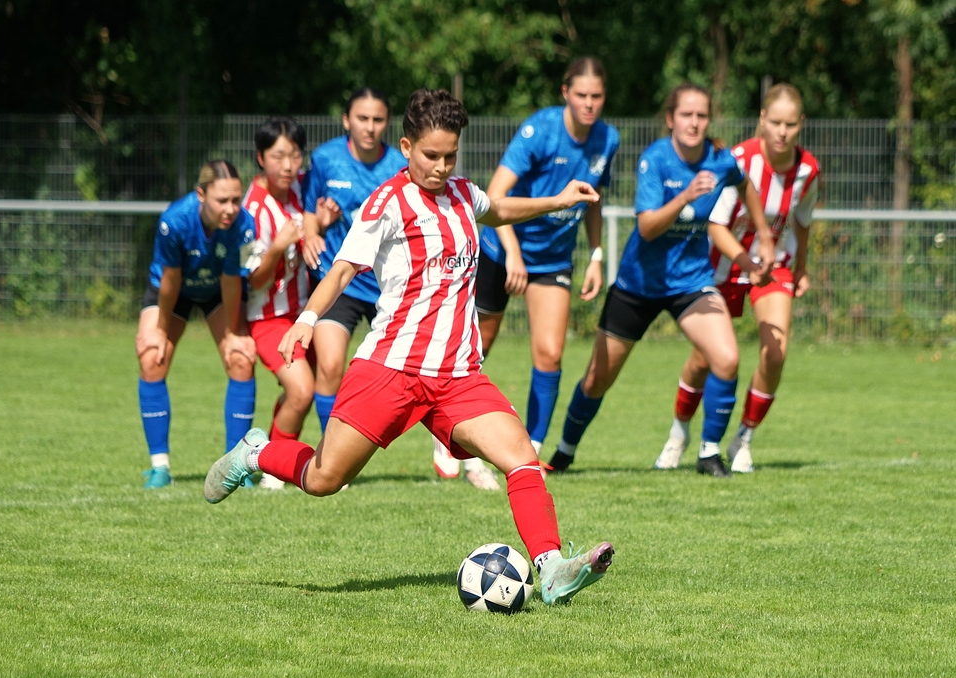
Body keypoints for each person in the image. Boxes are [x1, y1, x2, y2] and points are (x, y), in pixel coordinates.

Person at [204, 88, 614, 605]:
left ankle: (550, 569)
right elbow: (344, 268)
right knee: (325, 477)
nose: (441, 167)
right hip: (390, 369)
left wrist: (559, 199)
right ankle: (257, 453)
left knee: (520, 456)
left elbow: (498, 209)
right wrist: (307, 318)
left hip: (458, 375)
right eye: (431, 155)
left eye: (450, 156)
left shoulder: (463, 194)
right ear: (406, 147)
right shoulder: (387, 203)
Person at [547, 83, 775, 478]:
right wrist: (686, 195)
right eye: (686, 115)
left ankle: (709, 453)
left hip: (691, 283)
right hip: (638, 285)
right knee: (597, 379)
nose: (694, 123)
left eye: (701, 115)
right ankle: (564, 452)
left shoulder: (720, 160)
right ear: (671, 119)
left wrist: (765, 234)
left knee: (727, 358)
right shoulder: (655, 160)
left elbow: (745, 184)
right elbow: (648, 228)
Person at [431, 56, 620, 481]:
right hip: (501, 252)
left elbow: (594, 199)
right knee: (475, 350)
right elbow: (495, 196)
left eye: (597, 95)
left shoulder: (608, 138)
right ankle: (447, 433)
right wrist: (513, 253)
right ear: (566, 93)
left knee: (550, 353)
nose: (589, 103)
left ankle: (529, 454)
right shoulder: (540, 130)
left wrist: (596, 255)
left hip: (553, 261)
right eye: (581, 95)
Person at [301, 86, 498, 491]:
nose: (370, 127)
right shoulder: (329, 161)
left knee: (440, 368)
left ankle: (459, 452)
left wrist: (558, 201)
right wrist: (313, 234)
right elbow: (314, 221)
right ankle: (326, 451)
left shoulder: (413, 168)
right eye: (363, 118)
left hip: (400, 297)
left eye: (378, 119)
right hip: (349, 287)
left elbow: (493, 209)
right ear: (347, 120)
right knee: (331, 367)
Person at [655, 83, 820, 474]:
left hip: (774, 266)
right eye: (775, 122)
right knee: (705, 358)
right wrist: (747, 263)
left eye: (790, 124)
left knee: (775, 352)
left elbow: (802, 221)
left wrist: (801, 268)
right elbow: (716, 226)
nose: (782, 132)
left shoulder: (808, 170)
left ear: (801, 124)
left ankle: (743, 438)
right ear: (762, 119)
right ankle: (679, 432)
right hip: (723, 265)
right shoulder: (739, 161)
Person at [135, 160, 257, 488]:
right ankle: (160, 467)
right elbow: (170, 281)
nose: (231, 208)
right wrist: (159, 331)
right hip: (172, 293)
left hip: (218, 292)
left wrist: (232, 334)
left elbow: (233, 280)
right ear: (201, 195)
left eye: (236, 199)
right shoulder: (174, 220)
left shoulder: (245, 225)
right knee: (152, 357)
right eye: (222, 200)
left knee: (241, 359)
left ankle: (236, 466)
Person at [241, 117, 341, 488]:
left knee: (318, 385)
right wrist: (278, 247)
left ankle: (277, 458)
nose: (288, 165)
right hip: (268, 318)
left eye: (295, 155)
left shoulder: (302, 189)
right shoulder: (252, 209)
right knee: (300, 391)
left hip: (305, 313)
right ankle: (271, 469)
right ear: (260, 157)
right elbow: (253, 279)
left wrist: (322, 224)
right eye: (278, 156)